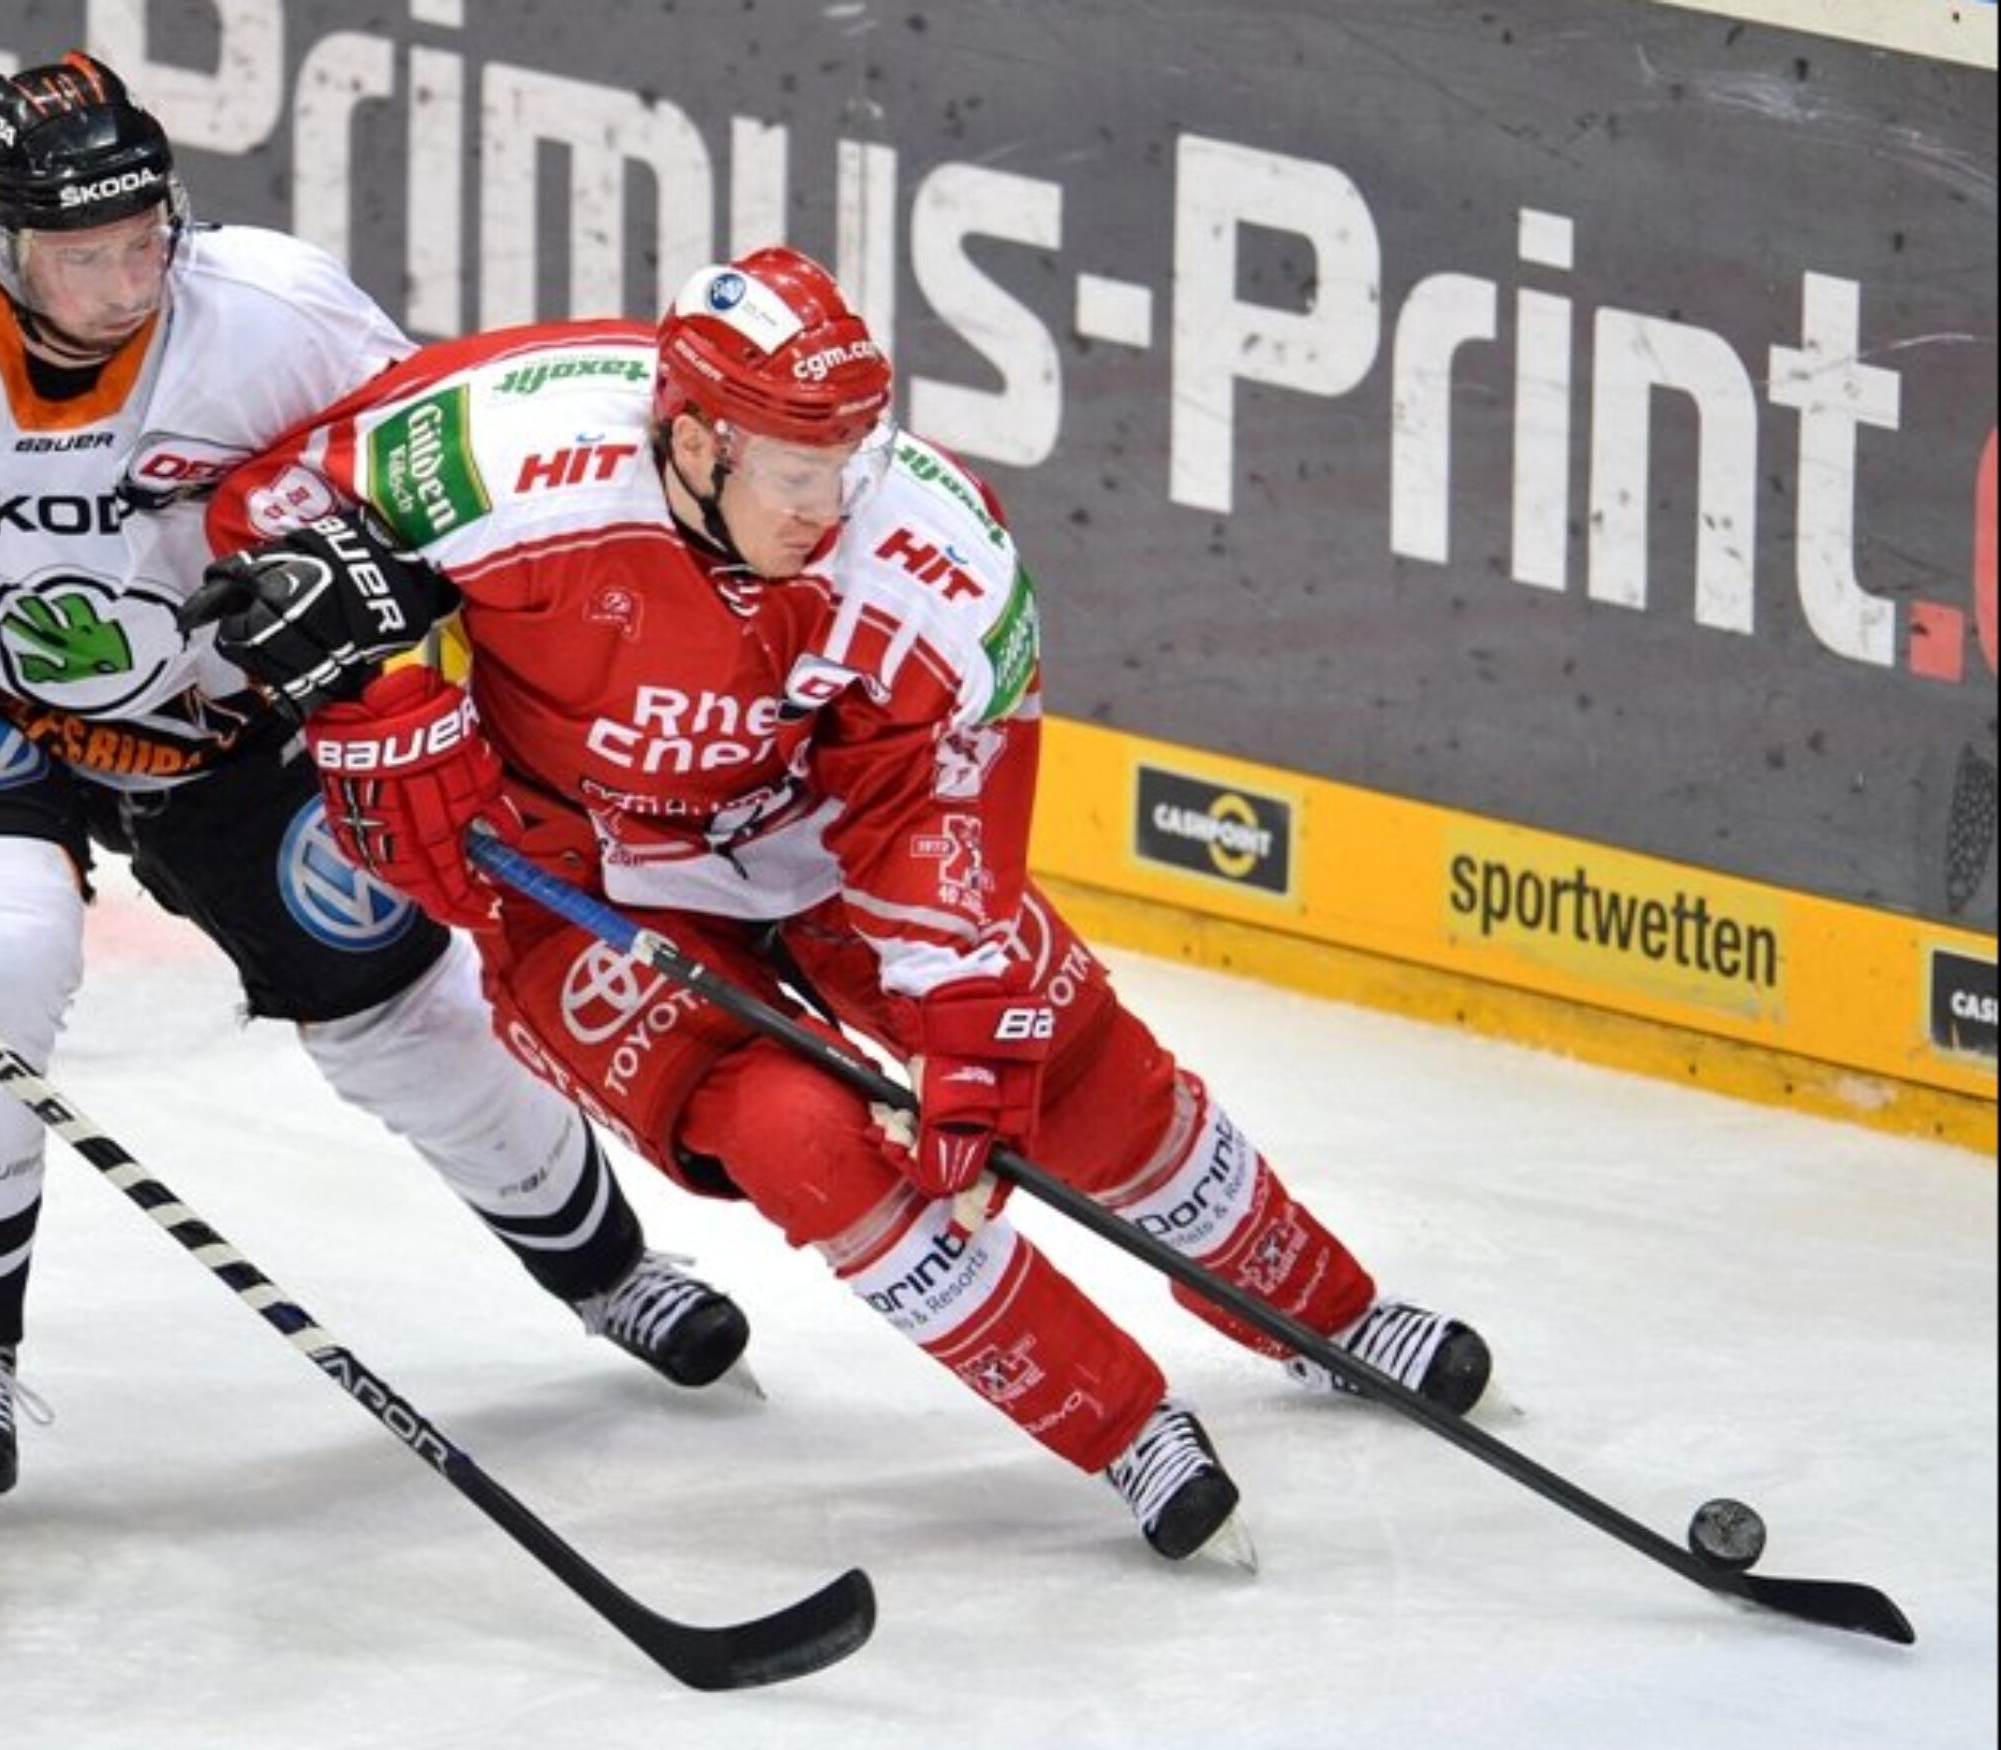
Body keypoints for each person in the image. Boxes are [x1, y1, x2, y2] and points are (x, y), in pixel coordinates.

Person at [188, 246, 1495, 1560]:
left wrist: (959, 1011)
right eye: (796, 474)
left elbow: (939, 800)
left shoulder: (928, 546)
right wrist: (380, 695)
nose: (832, 503)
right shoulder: (508, 448)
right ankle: (1120, 1425)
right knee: (801, 1135)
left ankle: (1327, 1311)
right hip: (577, 872)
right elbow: (272, 505)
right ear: (693, 443)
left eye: (848, 459)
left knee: (1069, 1072)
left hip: (817, 835)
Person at [0, 54, 749, 1513]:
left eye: (145, 239)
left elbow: (432, 477)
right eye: (80, 256)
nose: (125, 283)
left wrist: (368, 584)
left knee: (403, 1003)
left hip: (232, 725)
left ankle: (611, 1271)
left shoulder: (271, 312)